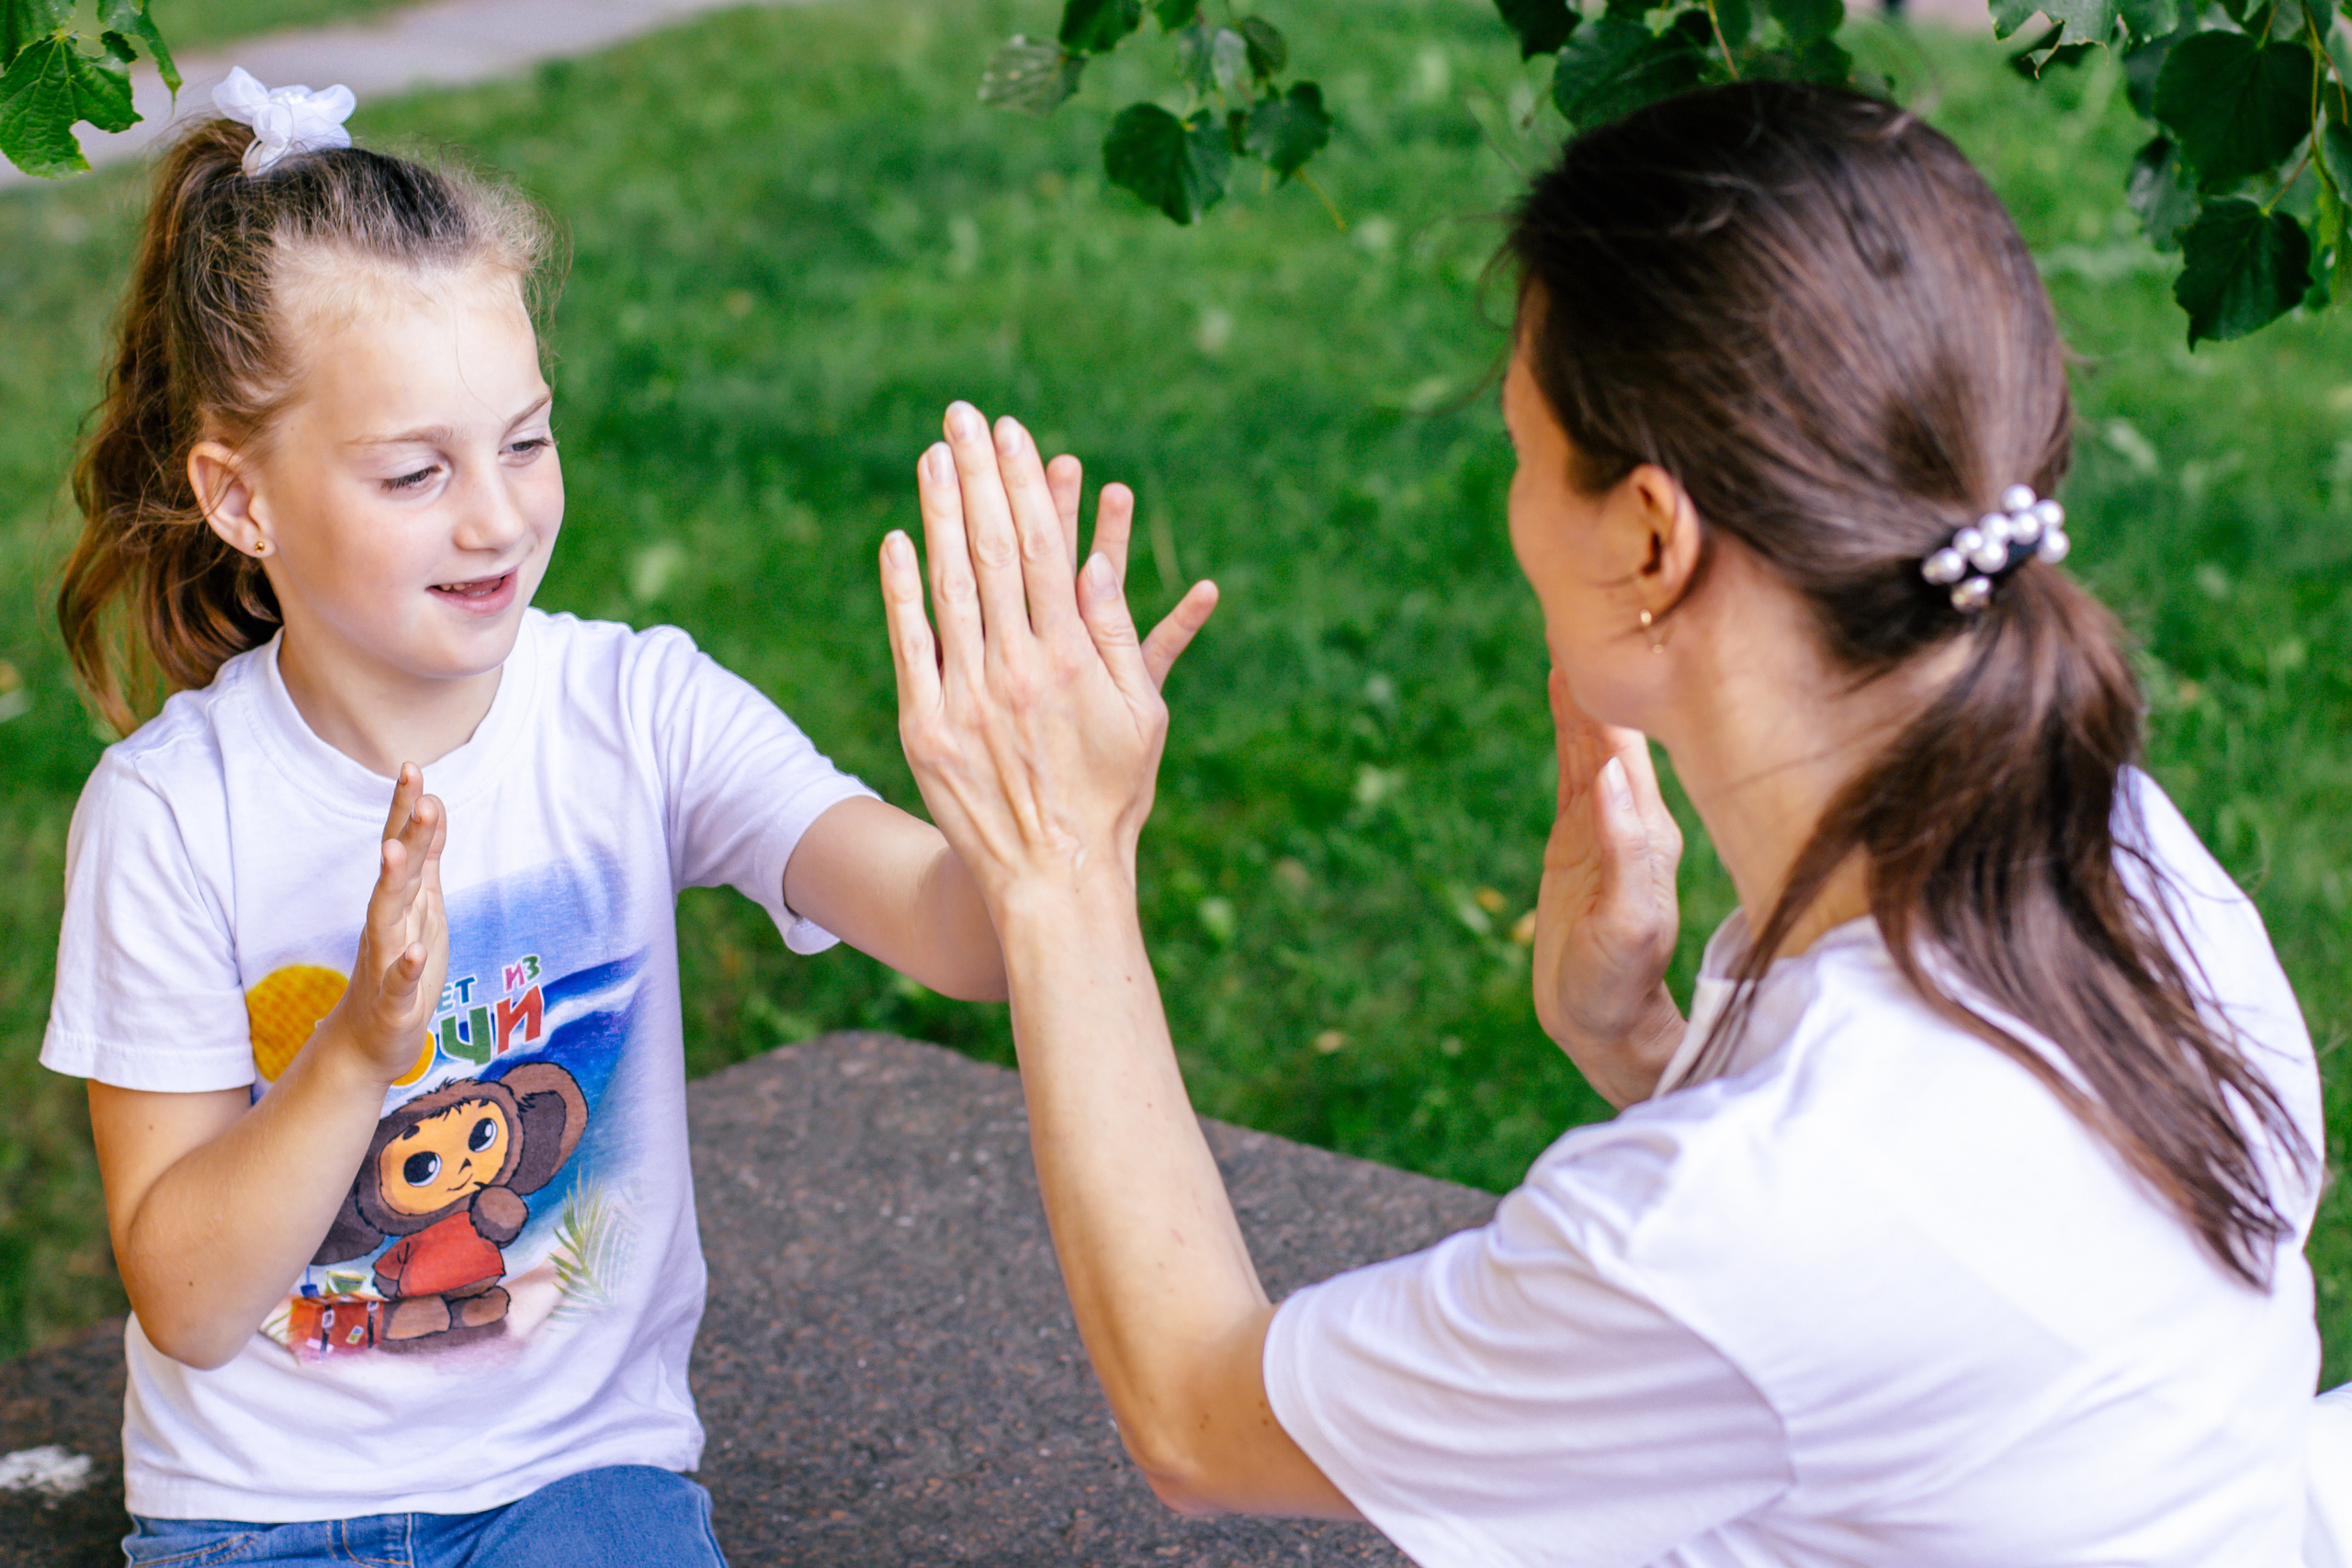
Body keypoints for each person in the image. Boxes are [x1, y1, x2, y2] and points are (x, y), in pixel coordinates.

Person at [876, 82, 2348, 1562]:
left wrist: (1058, 866)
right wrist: (1639, 1048)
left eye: (1522, 453)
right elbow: (1926, 1311)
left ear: (1651, 534)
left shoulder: (1744, 1220)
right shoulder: (2125, 857)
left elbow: (1197, 1415)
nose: (1510, 510)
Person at [38, 71, 1209, 1565]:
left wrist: (1060, 828)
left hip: (577, 1488)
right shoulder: (168, 816)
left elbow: (956, 933)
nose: (497, 516)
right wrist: (356, 1057)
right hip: (256, 1518)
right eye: (416, 470)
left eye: (525, 441)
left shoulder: (636, 713)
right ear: (240, 498)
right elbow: (191, 1304)